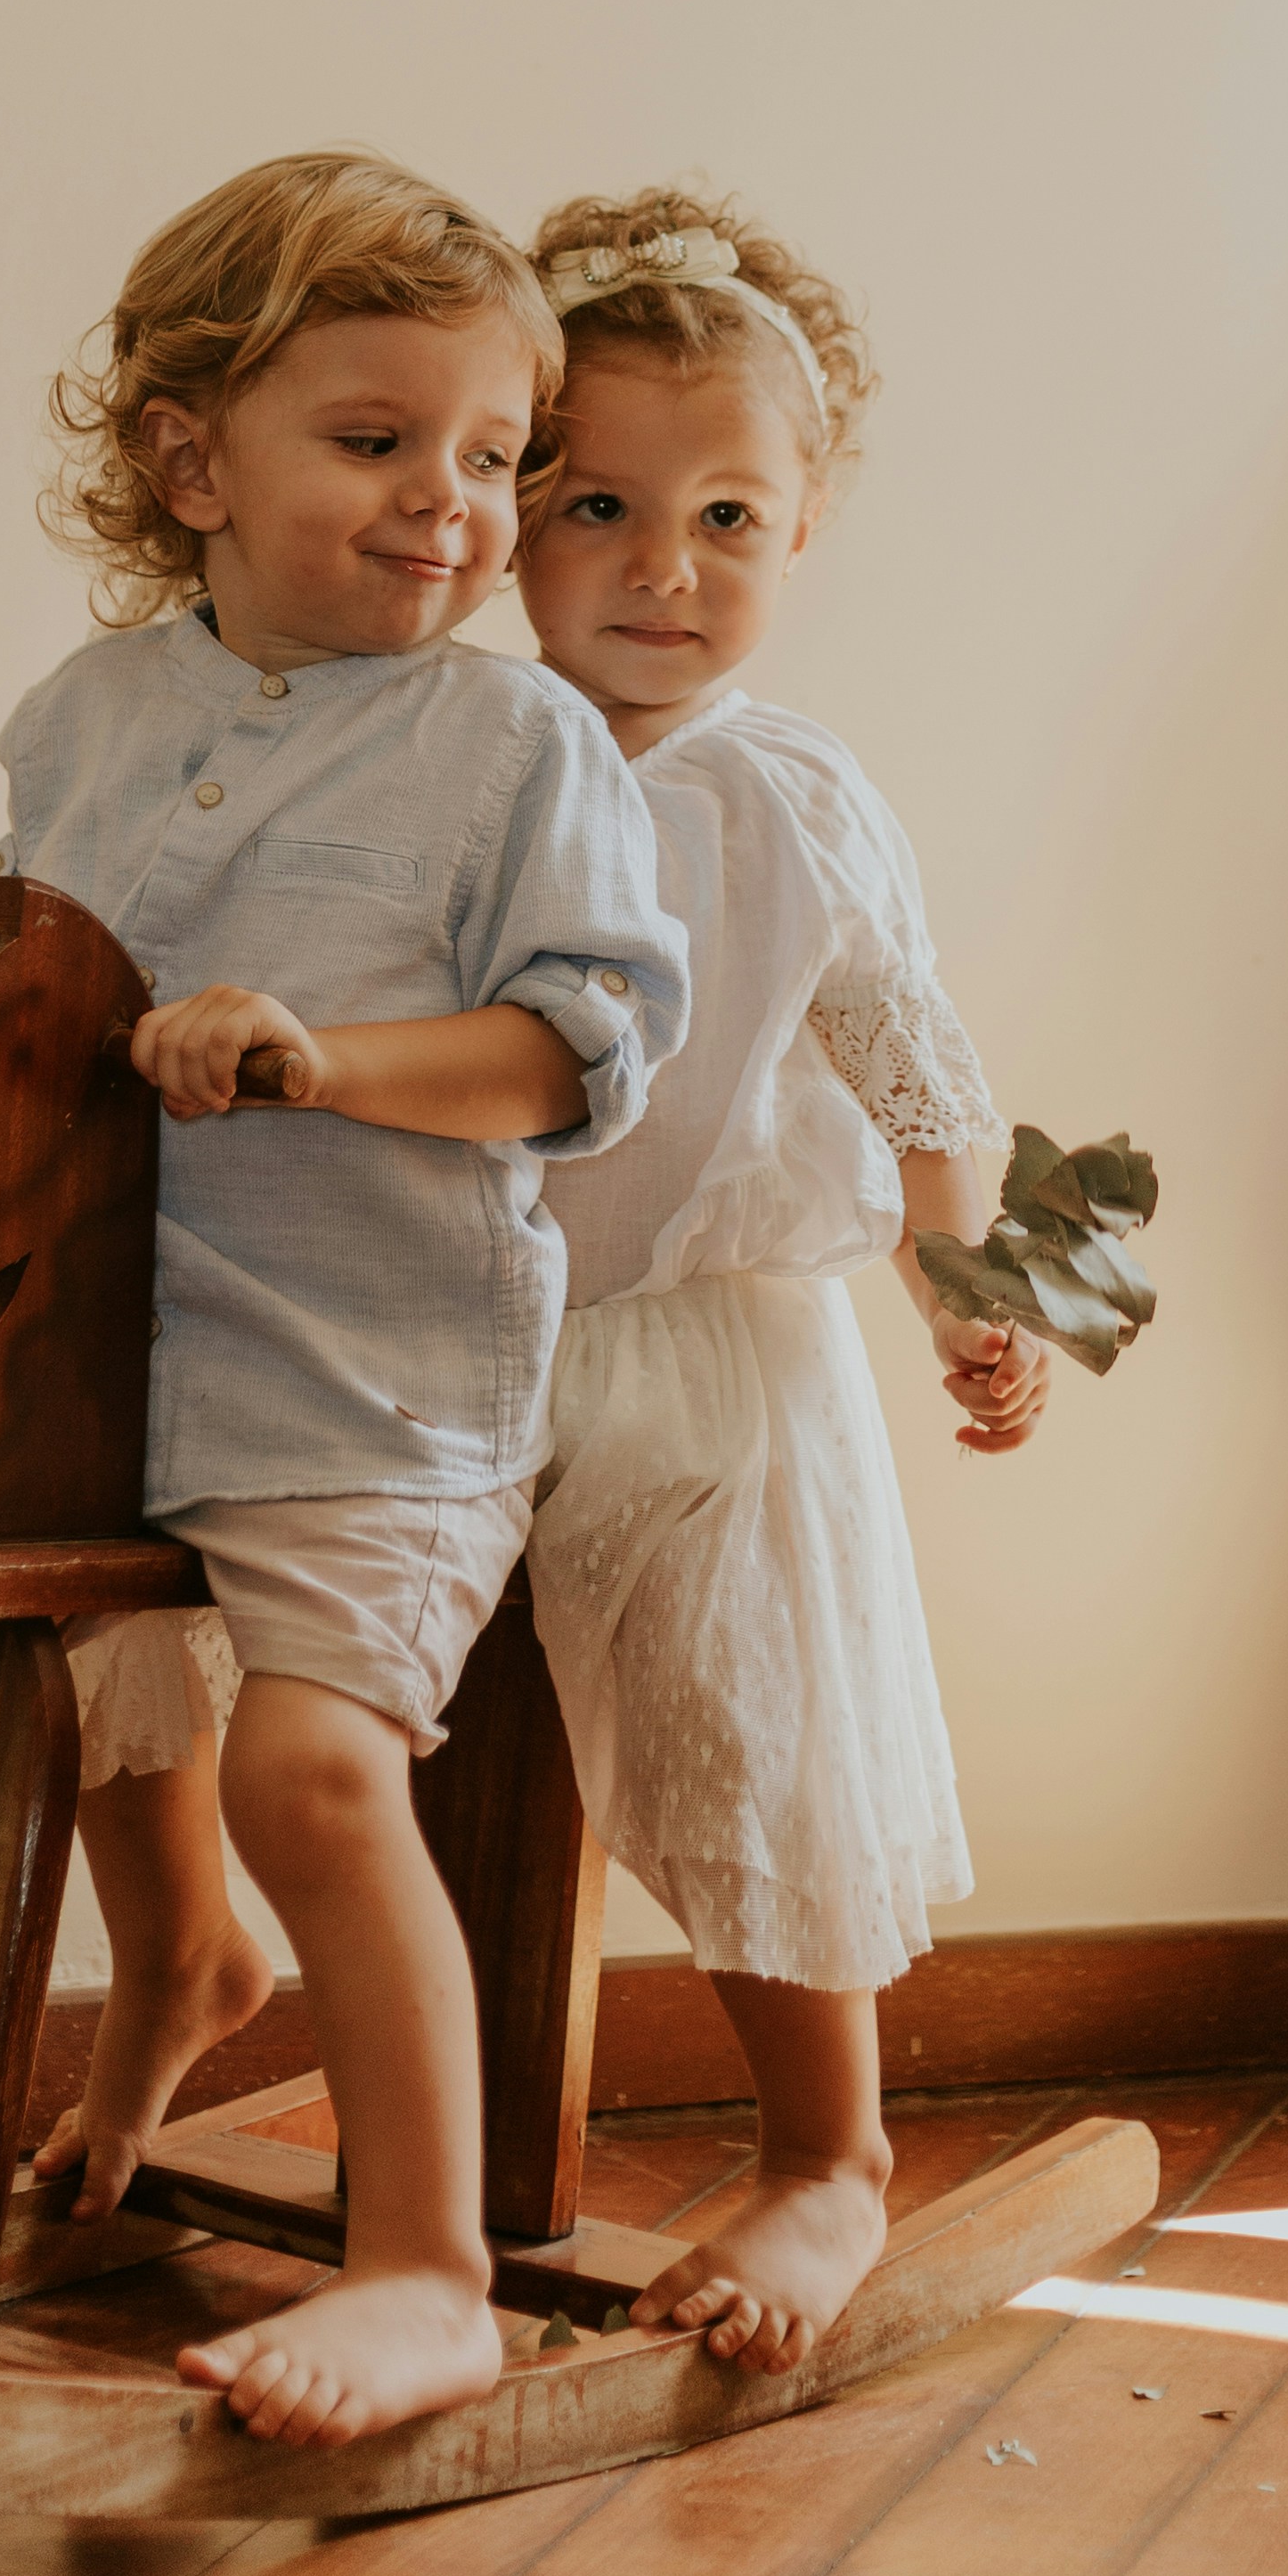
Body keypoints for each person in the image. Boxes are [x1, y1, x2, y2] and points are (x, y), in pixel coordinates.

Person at [0, 148, 688, 2450]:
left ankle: (420, 2266)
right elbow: (4, 922)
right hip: (98, 1363)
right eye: (378, 442)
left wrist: (328, 1061)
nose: (452, 508)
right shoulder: (88, 714)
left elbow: (584, 1051)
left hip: (363, 1388)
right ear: (188, 458)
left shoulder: (512, 749)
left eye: (498, 459)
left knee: (314, 1762)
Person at [512, 186, 1047, 2376]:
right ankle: (409, 2088)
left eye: (730, 513)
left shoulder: (779, 792)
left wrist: (964, 1294)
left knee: (745, 1730)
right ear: (503, 512)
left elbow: (917, 1072)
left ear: (805, 529)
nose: (669, 566)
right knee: (418, 1726)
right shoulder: (461, 756)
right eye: (603, 505)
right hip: (473, 1327)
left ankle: (829, 2149)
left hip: (709, 1351)